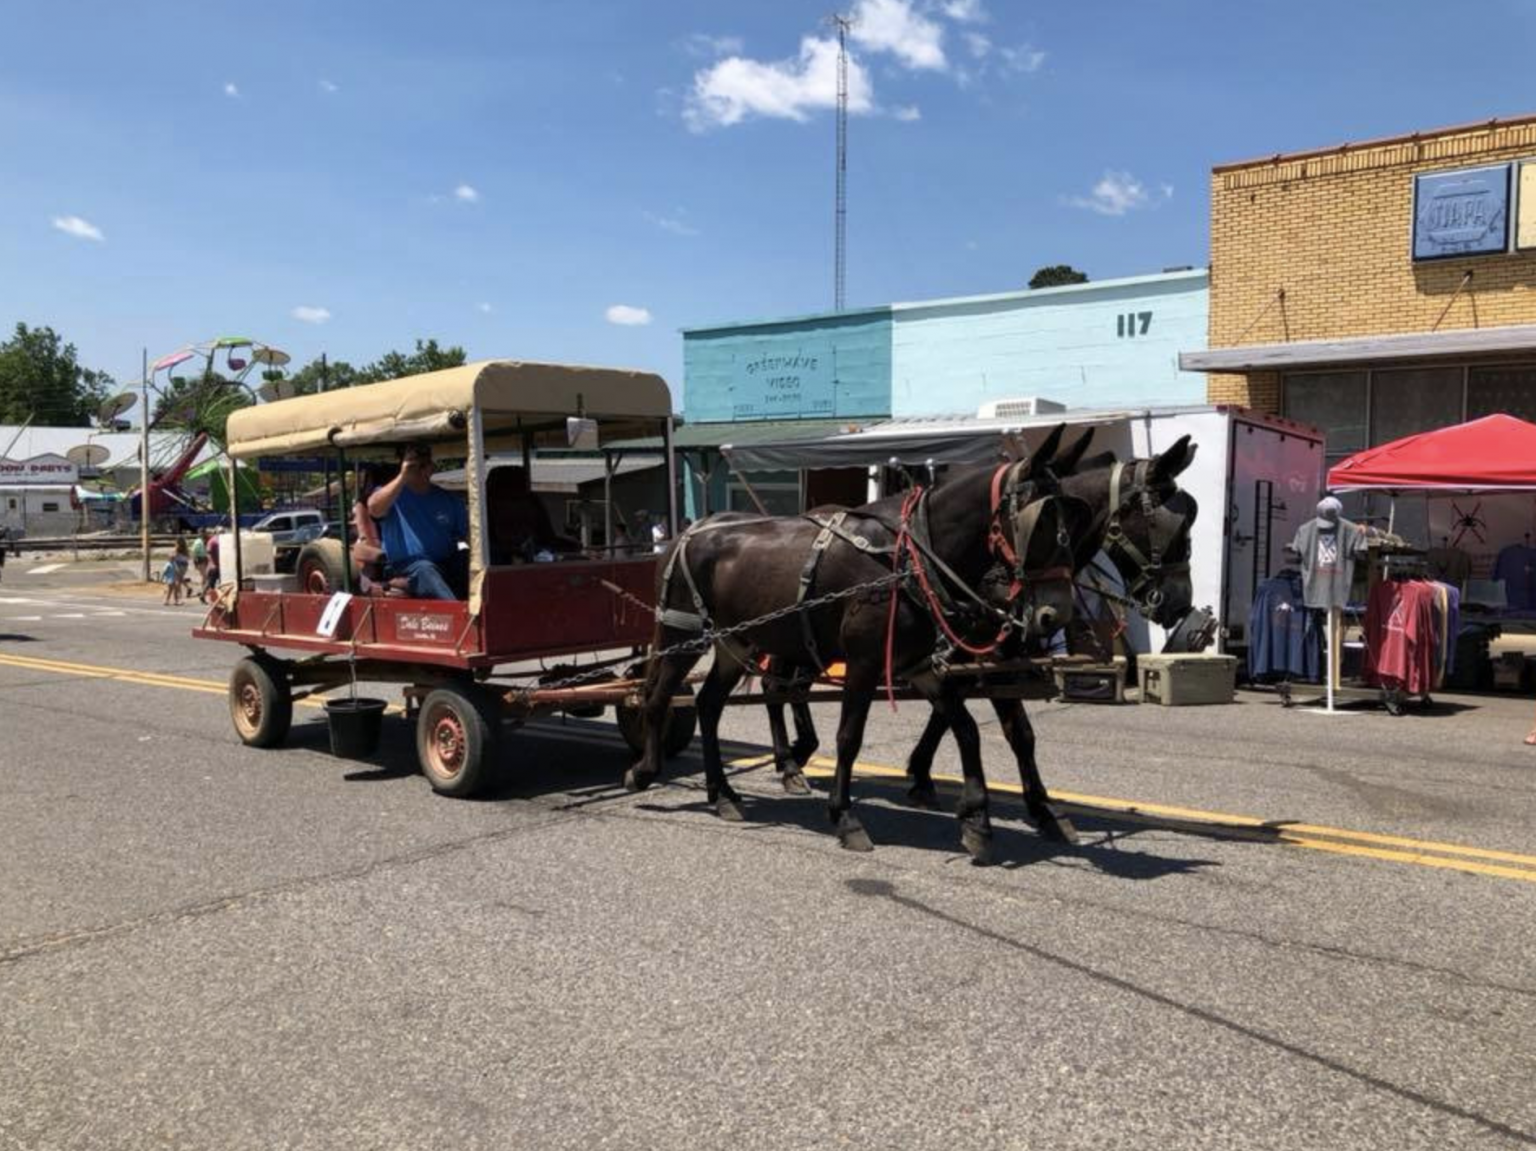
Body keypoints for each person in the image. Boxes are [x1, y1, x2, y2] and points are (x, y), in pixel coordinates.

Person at [366, 442, 468, 600]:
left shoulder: (448, 499)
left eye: (424, 464)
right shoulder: (391, 495)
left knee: (468, 558)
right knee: (425, 569)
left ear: (432, 467)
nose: (420, 469)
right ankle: (460, 617)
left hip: (445, 561)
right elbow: (374, 508)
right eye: (415, 465)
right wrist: (403, 476)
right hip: (405, 566)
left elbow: (468, 535)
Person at [486, 466, 581, 564]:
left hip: (535, 547)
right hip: (499, 552)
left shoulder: (532, 500)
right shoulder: (486, 503)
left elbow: (546, 532)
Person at [162, 537, 189, 606]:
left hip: (179, 567)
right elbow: (173, 557)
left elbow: (171, 557)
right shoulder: (183, 550)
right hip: (180, 567)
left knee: (173, 585)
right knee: (175, 585)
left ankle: (172, 600)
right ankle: (175, 599)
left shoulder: (178, 550)